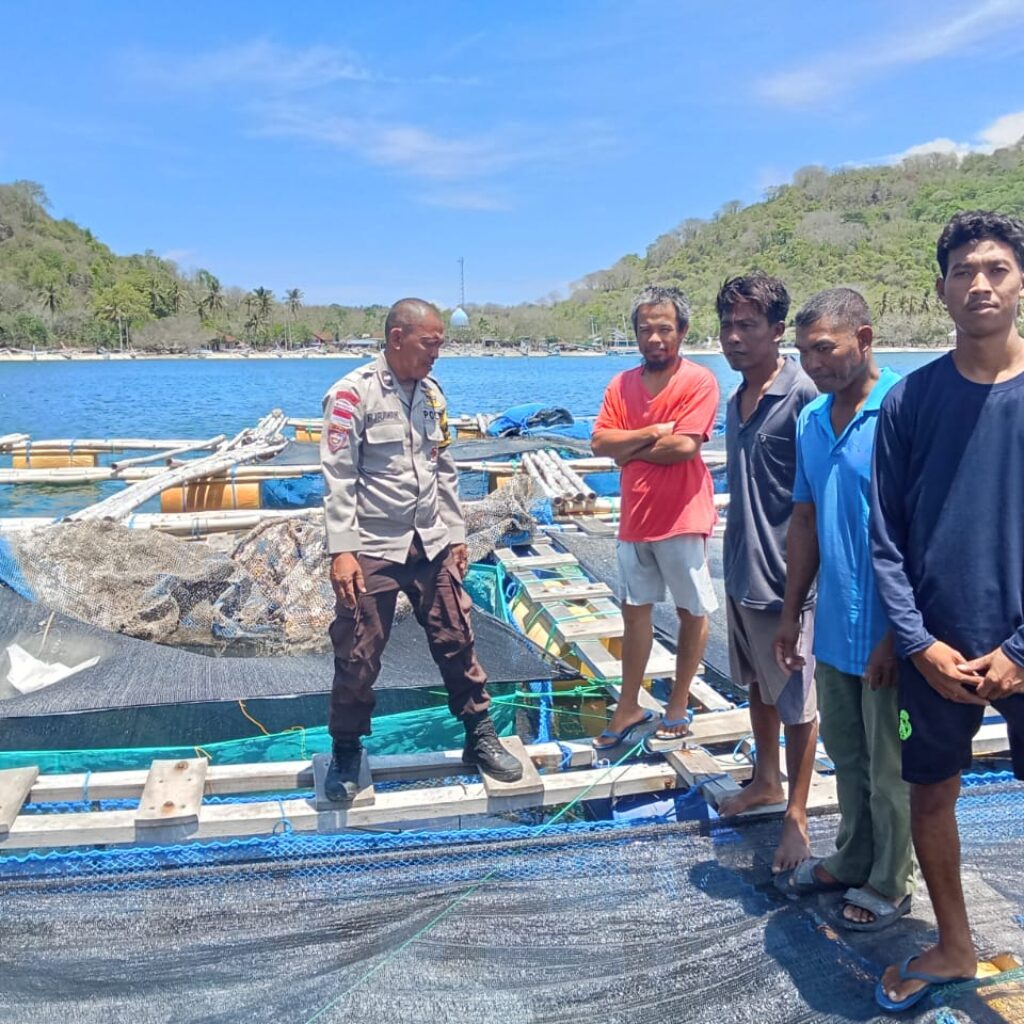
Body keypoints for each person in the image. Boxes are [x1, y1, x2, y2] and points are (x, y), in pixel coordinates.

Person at [871, 211, 1024, 1013]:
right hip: (935, 651)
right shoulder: (910, 401)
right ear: (941, 290)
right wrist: (917, 640)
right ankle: (955, 942)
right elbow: (885, 538)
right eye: (965, 272)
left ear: (1021, 282)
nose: (981, 284)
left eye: (997, 269)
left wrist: (1021, 650)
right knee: (930, 790)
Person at [320, 298, 522, 801]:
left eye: (440, 344)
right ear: (397, 338)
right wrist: (342, 550)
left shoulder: (433, 394)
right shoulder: (351, 395)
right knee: (359, 651)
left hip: (430, 541)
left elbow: (443, 469)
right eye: (430, 343)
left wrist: (456, 534)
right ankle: (347, 749)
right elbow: (339, 477)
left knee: (457, 638)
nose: (437, 354)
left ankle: (479, 735)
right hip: (373, 544)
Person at [773, 288, 914, 932]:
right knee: (848, 754)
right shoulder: (810, 420)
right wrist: (789, 611)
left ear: (865, 338)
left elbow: (925, 529)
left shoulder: (904, 408)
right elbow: (804, 519)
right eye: (802, 352)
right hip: (831, 625)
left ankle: (892, 880)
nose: (813, 364)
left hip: (892, 628)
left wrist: (900, 633)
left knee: (893, 768)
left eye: (824, 348)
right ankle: (855, 854)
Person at [715, 273, 819, 873]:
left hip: (788, 583)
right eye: (727, 325)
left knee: (799, 704)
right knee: (756, 685)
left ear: (778, 331)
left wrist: (801, 593)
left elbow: (813, 501)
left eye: (748, 326)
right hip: (740, 572)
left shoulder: (803, 395)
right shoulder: (737, 400)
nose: (733, 337)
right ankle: (765, 779)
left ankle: (797, 817)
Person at [590, 285, 719, 750]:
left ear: (682, 331)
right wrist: (650, 433)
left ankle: (678, 704)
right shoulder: (620, 385)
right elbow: (600, 444)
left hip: (683, 516)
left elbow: (685, 446)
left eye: (665, 328)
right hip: (634, 520)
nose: (655, 338)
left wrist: (631, 449)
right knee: (634, 614)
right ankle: (629, 705)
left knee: (692, 611)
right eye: (646, 330)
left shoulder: (699, 381)